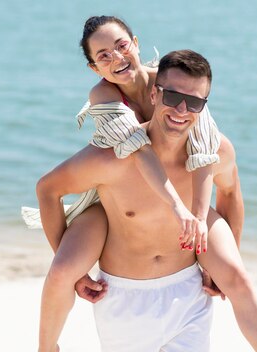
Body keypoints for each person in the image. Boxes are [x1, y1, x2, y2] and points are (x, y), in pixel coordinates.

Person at [37, 50, 257, 351]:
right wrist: (75, 269)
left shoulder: (218, 151)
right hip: (124, 299)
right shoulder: (113, 159)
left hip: (189, 294)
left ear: (204, 106)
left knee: (240, 279)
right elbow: (47, 188)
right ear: (154, 94)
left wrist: (224, 268)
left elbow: (230, 193)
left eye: (194, 102)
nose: (181, 109)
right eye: (172, 96)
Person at [21, 16, 222, 351]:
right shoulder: (104, 96)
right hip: (110, 197)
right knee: (61, 273)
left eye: (121, 45)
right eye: (103, 56)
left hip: (167, 196)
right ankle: (47, 348)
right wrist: (78, 272)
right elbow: (139, 151)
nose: (116, 57)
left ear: (136, 43)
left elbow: (204, 147)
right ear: (93, 67)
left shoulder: (175, 82)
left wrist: (199, 222)